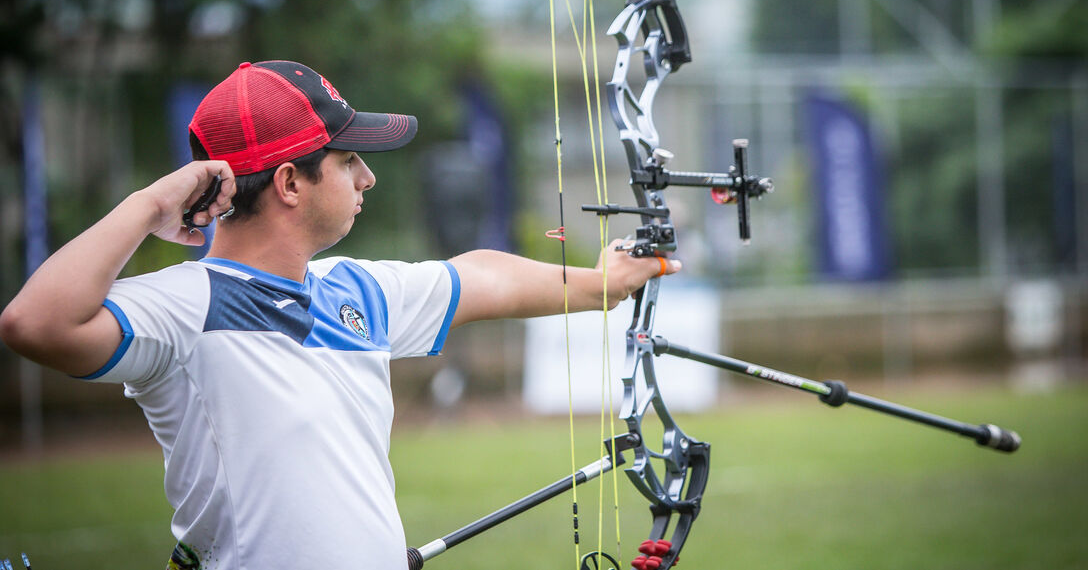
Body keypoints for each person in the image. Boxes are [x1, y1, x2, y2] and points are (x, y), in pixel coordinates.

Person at [0, 60, 680, 569]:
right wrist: (150, 206)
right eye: (349, 160)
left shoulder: (352, 289)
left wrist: (599, 284)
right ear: (292, 182)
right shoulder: (188, 305)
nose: (368, 178)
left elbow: (479, 277)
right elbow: (33, 323)